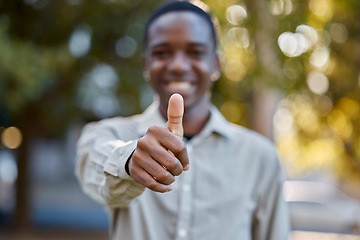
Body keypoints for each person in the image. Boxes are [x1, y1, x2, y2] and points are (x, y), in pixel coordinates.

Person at [76, 1, 290, 239]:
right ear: (146, 63)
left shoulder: (260, 157)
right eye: (162, 52)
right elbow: (94, 164)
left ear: (215, 64)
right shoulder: (109, 134)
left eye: (196, 52)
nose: (178, 65)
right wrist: (128, 161)